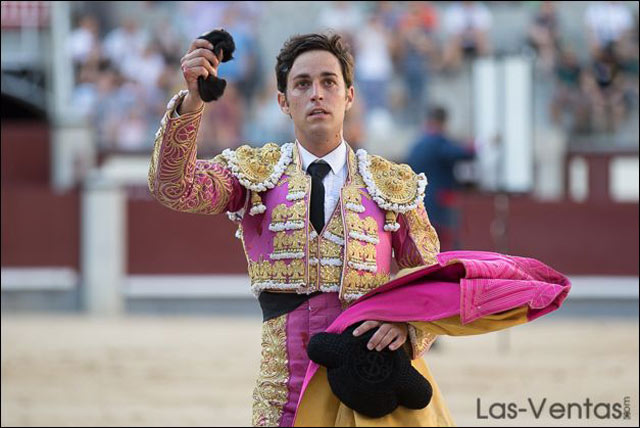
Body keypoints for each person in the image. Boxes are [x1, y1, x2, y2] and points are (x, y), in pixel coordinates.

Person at [148, 32, 570, 427]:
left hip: (369, 380)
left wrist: (409, 330)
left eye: (329, 82)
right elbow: (174, 188)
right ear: (282, 100)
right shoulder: (255, 175)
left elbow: (429, 282)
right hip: (283, 388)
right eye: (302, 84)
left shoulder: (390, 185)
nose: (316, 93)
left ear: (349, 96)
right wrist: (191, 104)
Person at [407, 106, 475, 251]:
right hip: (440, 200)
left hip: (419, 200)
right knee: (446, 240)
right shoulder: (439, 142)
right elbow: (464, 154)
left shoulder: (417, 145)